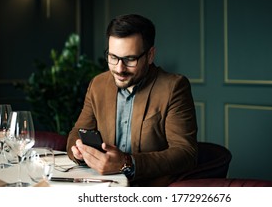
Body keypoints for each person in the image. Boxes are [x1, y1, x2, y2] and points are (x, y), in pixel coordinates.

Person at [67, 14, 198, 186]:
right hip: (102, 187)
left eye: (130, 59)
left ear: (150, 55)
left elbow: (185, 153)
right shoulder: (98, 84)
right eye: (113, 57)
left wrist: (126, 163)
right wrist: (78, 152)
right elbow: (77, 132)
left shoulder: (174, 87)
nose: (119, 69)